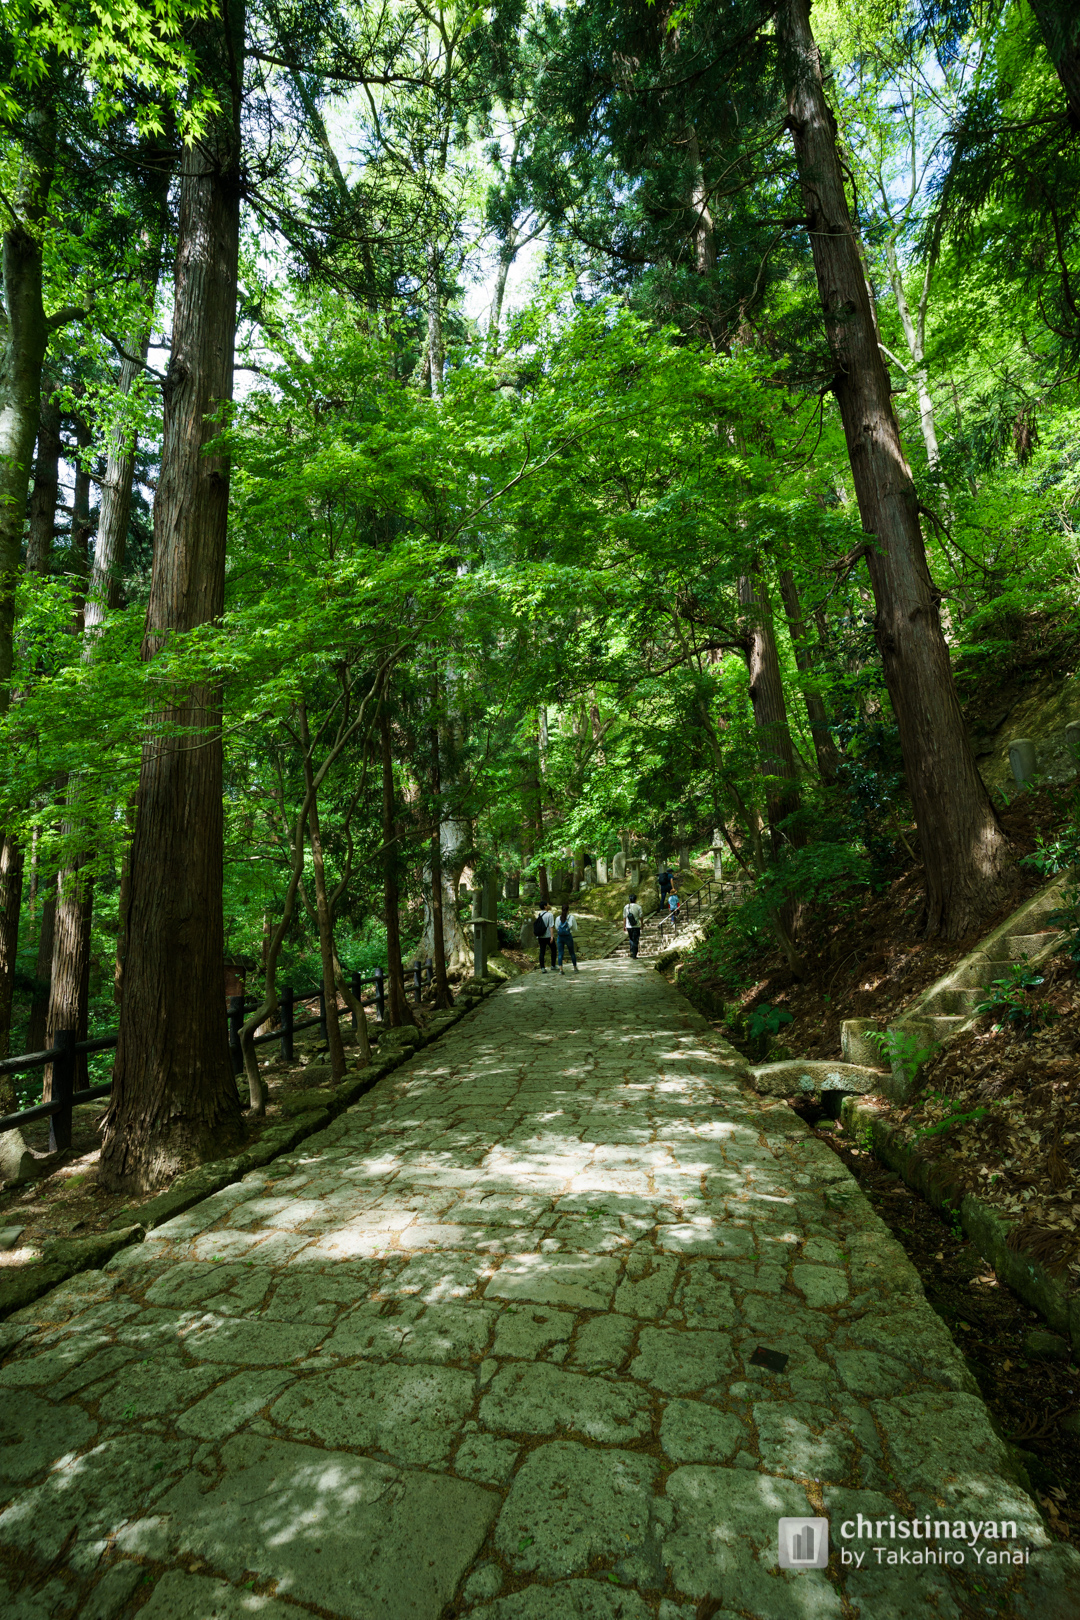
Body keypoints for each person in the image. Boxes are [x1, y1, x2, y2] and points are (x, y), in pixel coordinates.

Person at [556, 903, 579, 974]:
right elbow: (575, 928)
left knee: (560, 953)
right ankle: (575, 968)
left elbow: (557, 928)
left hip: (560, 937)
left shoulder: (558, 918)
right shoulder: (571, 918)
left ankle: (561, 970)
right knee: (572, 952)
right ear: (568, 910)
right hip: (568, 936)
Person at [534, 903, 556, 972]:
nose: (549, 905)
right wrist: (552, 936)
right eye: (548, 904)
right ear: (545, 906)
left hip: (541, 936)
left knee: (542, 952)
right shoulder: (550, 915)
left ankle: (542, 968)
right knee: (554, 950)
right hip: (548, 935)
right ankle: (553, 965)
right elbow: (551, 926)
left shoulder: (539, 915)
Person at [623, 892, 643, 958]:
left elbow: (624, 917)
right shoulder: (638, 907)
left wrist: (624, 926)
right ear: (635, 899)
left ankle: (632, 952)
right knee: (635, 939)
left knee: (631, 939)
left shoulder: (626, 907)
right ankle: (634, 954)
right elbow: (641, 916)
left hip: (629, 926)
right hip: (636, 925)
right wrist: (642, 924)